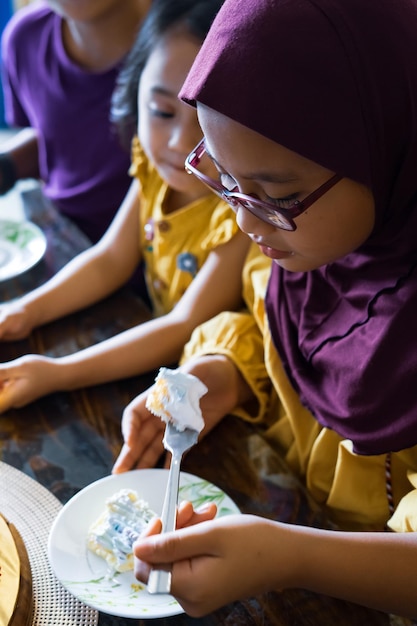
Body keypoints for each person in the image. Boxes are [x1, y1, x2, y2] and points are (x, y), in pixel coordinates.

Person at [118, 0, 417, 619]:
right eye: (222, 178)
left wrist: (291, 558)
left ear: (389, 146)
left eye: (274, 195)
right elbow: (270, 333)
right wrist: (217, 376)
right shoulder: (314, 252)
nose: (242, 220)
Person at [0, 0, 253, 418]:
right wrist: (24, 312)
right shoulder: (155, 169)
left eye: (210, 124)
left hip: (210, 402)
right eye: (162, 112)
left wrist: (57, 373)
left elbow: (182, 326)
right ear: (133, 88)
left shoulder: (240, 215)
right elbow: (110, 260)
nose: (178, 144)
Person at [0, 0, 151, 245]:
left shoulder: (185, 42)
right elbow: (55, 137)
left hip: (158, 253)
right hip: (62, 237)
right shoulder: (24, 39)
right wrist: (5, 166)